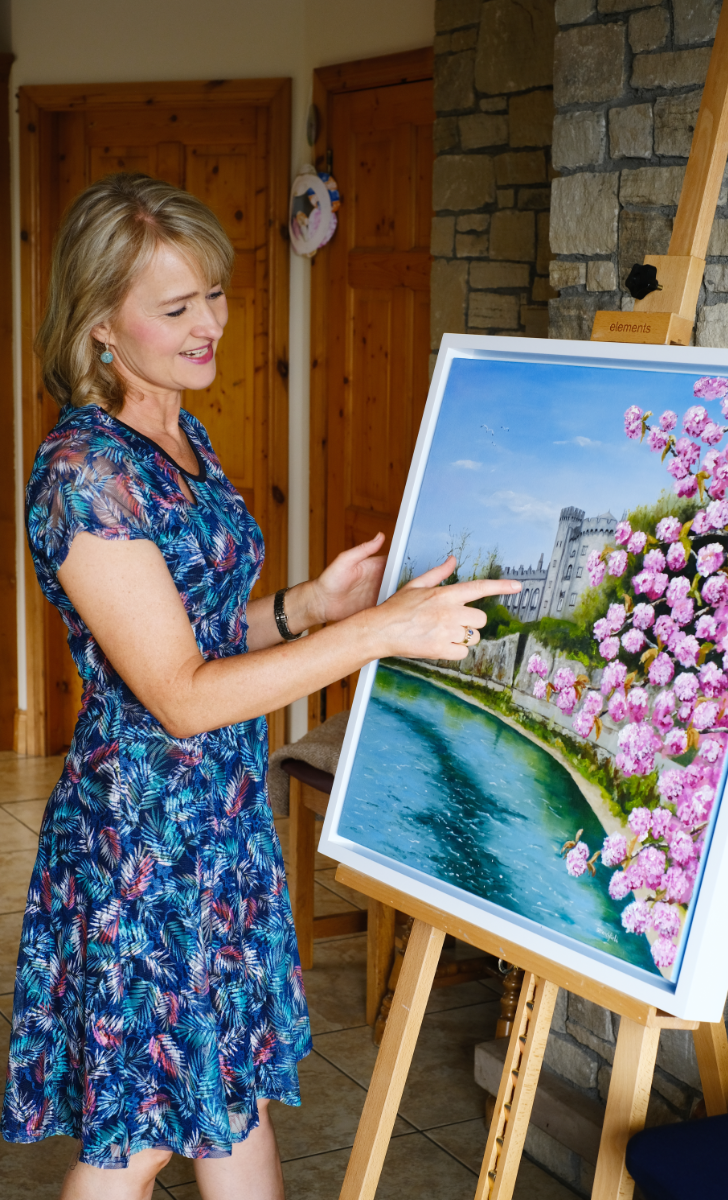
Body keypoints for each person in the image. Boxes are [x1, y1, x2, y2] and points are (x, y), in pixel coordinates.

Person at [1, 173, 519, 1200]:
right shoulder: (85, 473)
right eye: (176, 307)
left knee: (227, 1099)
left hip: (218, 824)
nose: (209, 325)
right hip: (145, 846)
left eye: (215, 294)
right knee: (138, 1142)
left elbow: (192, 634)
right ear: (100, 322)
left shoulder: (178, 433)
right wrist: (377, 634)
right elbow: (180, 694)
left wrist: (309, 608)